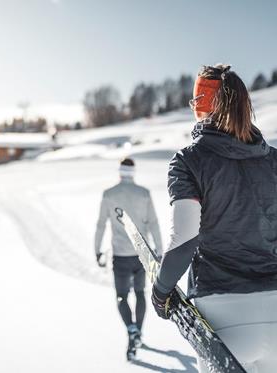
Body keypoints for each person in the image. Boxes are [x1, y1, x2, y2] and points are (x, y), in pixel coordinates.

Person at [151, 64, 277, 372]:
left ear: (204, 105)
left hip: (224, 318)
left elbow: (186, 236)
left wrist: (161, 290)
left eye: (196, 101)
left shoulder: (189, 160)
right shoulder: (274, 160)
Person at [95, 158, 163, 361]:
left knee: (122, 296)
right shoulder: (144, 193)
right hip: (142, 255)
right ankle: (138, 333)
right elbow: (153, 223)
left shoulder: (109, 194)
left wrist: (97, 250)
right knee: (140, 293)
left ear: (120, 172)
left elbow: (101, 225)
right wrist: (159, 250)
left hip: (120, 255)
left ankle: (131, 329)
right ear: (133, 173)